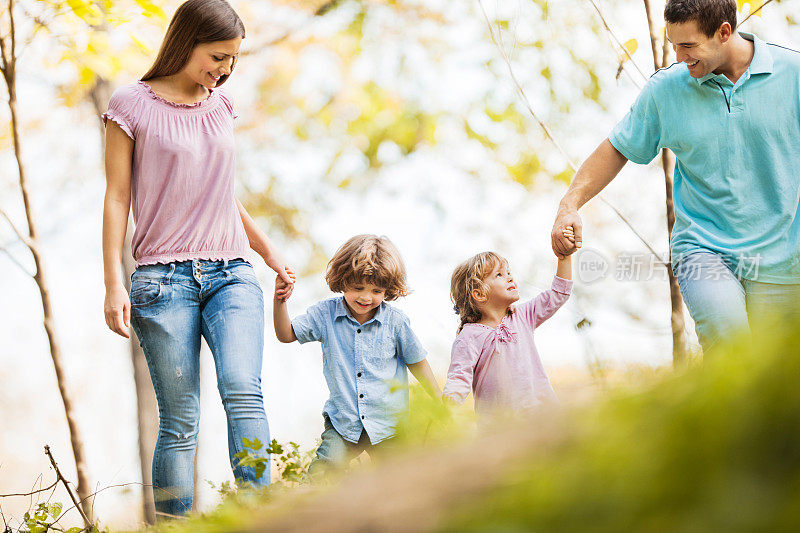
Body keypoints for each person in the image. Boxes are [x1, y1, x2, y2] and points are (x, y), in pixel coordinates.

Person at [101, 0, 294, 517]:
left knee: (243, 393)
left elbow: (219, 194)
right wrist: (113, 284)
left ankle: (260, 517)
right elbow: (117, 197)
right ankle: (174, 527)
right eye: (217, 55)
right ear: (186, 42)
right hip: (162, 282)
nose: (225, 68)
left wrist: (268, 251)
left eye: (232, 59)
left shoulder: (221, 108)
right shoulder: (130, 105)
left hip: (231, 272)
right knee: (180, 420)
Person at [551, 0, 800, 353]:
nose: (680, 57)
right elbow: (616, 148)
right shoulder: (667, 90)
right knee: (731, 348)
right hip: (704, 250)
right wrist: (569, 204)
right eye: (674, 46)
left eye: (688, 46)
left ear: (724, 32)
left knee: (774, 380)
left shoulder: (793, 74)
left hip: (783, 258)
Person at [272, 234, 441, 479]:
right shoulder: (325, 315)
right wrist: (280, 301)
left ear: (388, 290)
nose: (366, 297)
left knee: (398, 480)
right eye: (357, 288)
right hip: (343, 422)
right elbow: (286, 334)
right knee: (321, 477)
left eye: (376, 290)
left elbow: (418, 361)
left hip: (388, 426)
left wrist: (438, 400)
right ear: (343, 281)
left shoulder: (395, 322)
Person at [442, 248, 572, 414]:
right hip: (500, 428)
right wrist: (448, 407)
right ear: (479, 294)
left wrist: (564, 256)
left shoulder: (523, 315)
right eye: (499, 275)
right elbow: (458, 378)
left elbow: (558, 294)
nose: (510, 277)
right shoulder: (469, 337)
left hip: (542, 417)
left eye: (508, 272)